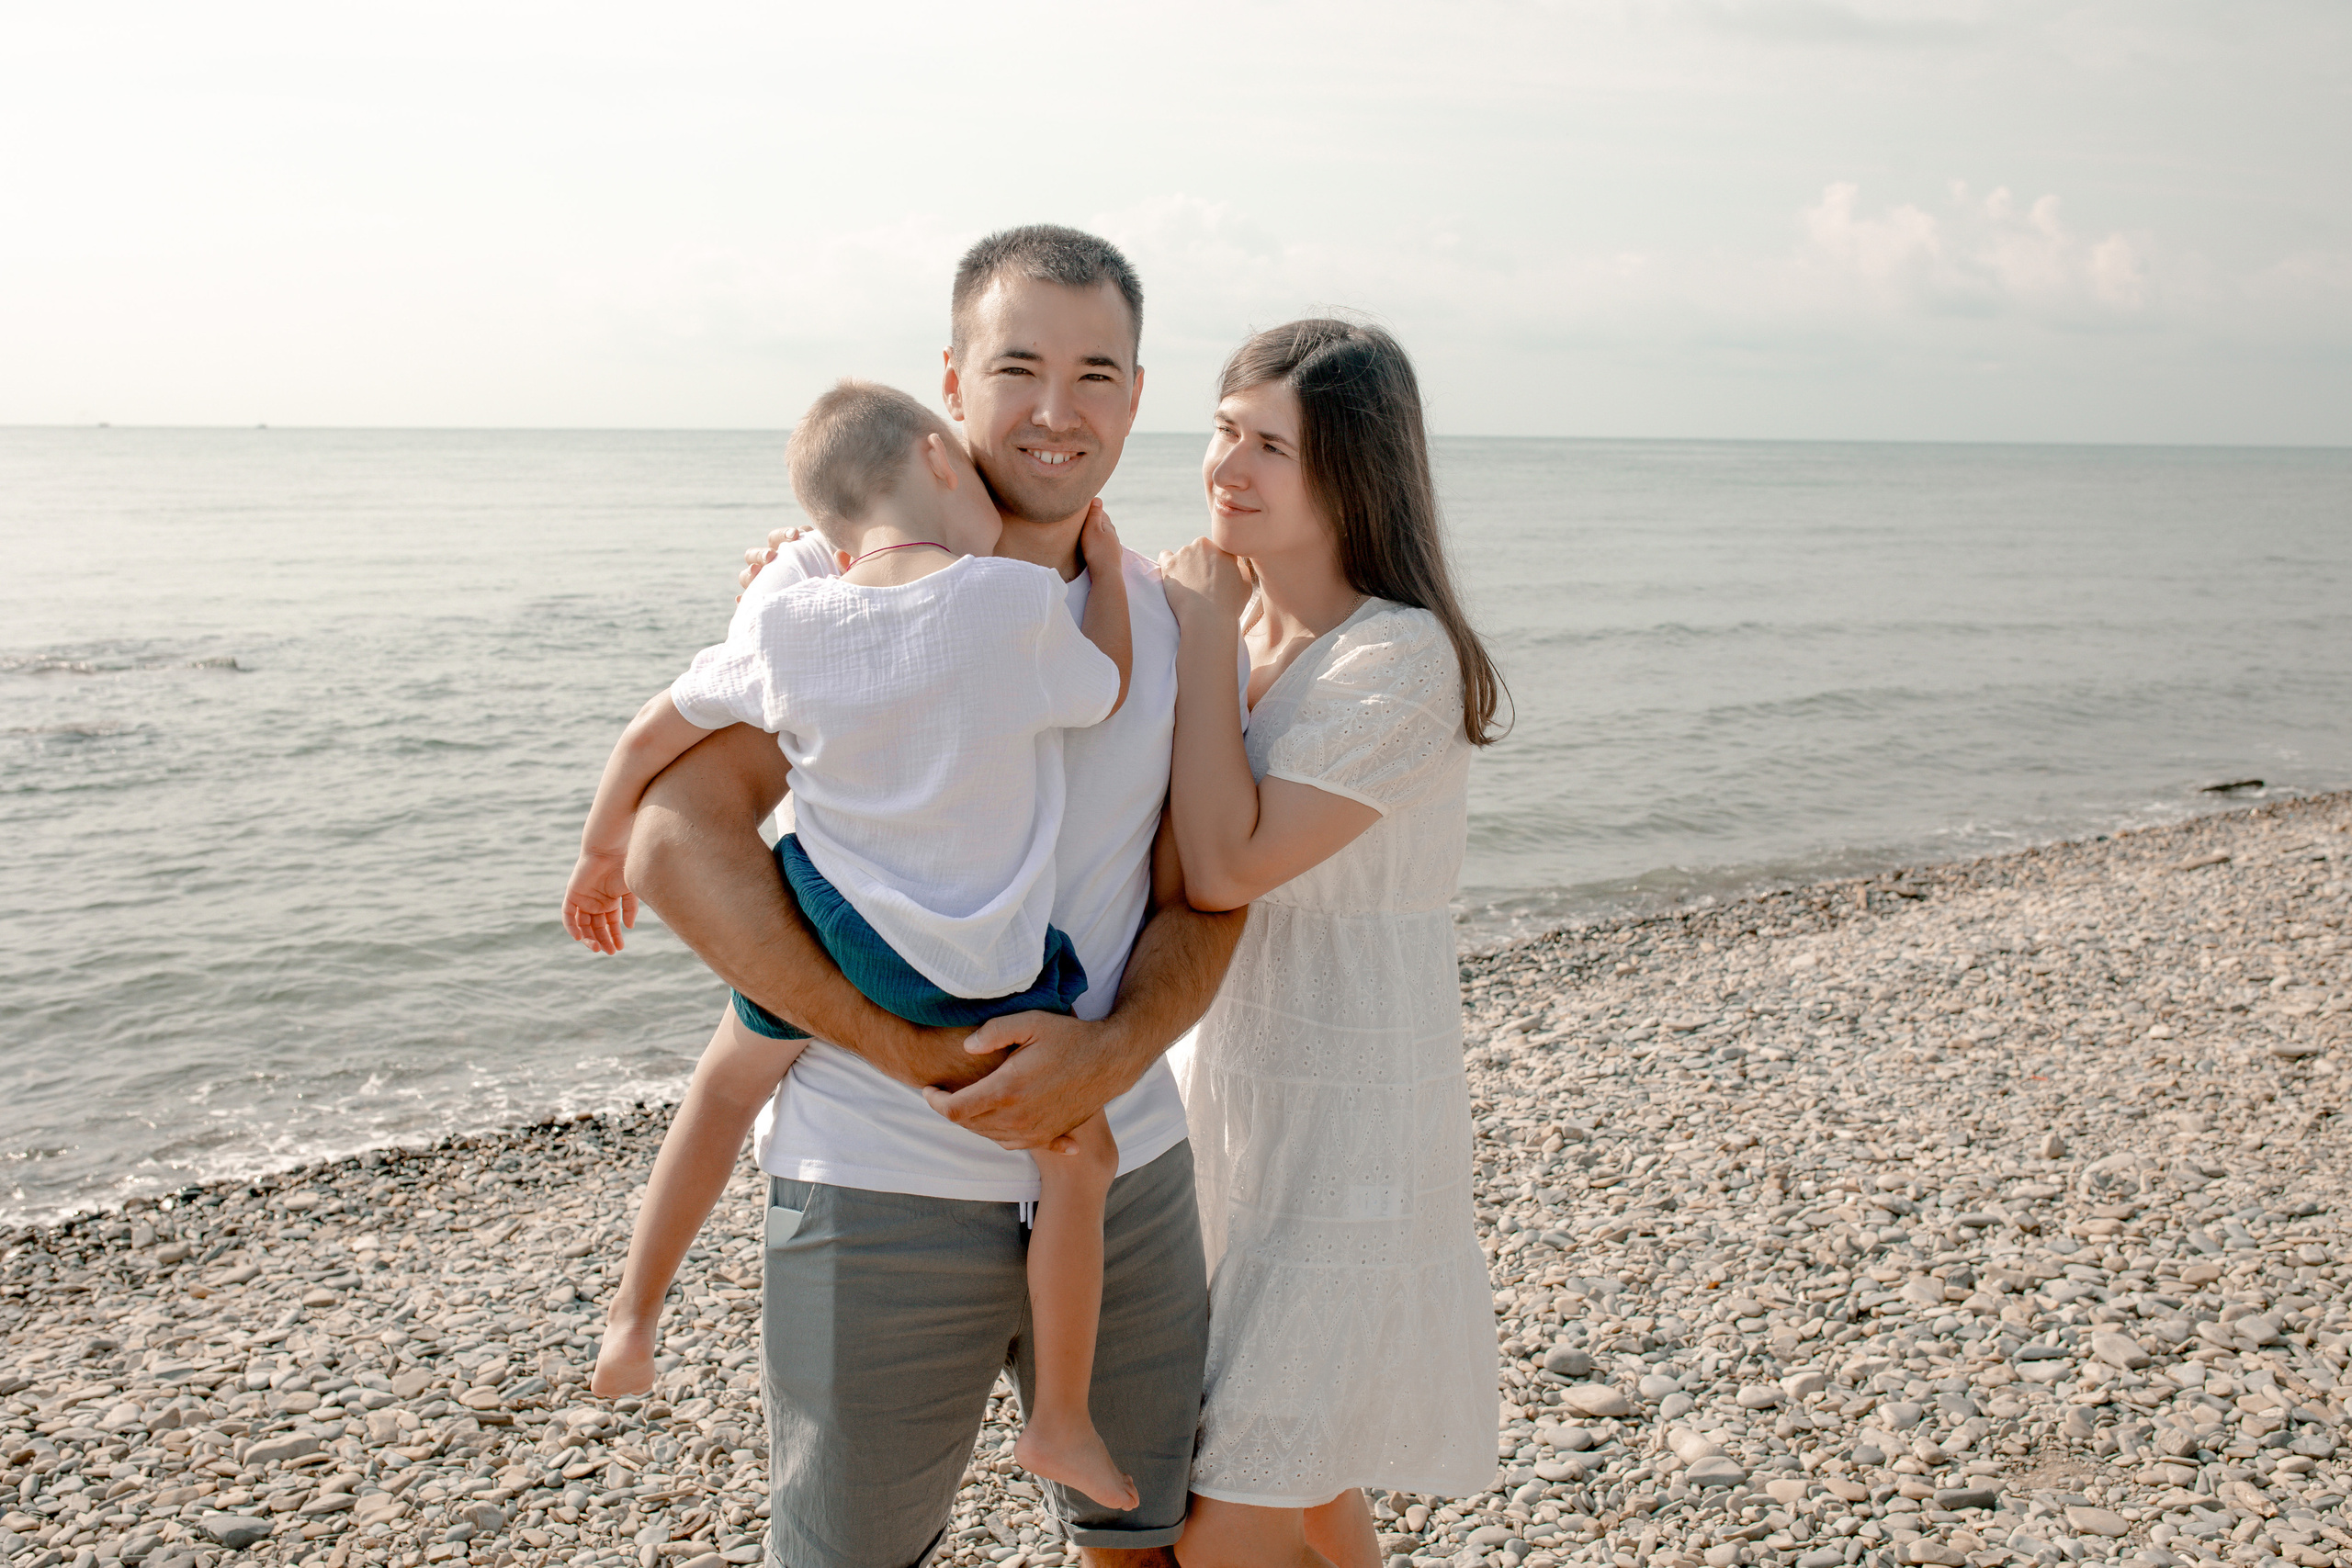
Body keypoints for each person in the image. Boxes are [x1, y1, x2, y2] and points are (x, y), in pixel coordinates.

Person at [616, 226, 1245, 1568]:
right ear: (950, 387)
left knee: (1137, 1542)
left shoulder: (1169, 619)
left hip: (1124, 1172)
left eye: (1096, 373)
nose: (1057, 410)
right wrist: (911, 1052)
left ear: (1138, 396)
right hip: (876, 1182)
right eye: (1017, 368)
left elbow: (1204, 894)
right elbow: (675, 840)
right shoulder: (820, 588)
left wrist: (1114, 1051)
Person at [562, 378, 1143, 1508]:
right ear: (941, 456)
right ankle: (1063, 1424)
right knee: (1080, 1163)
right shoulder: (1012, 600)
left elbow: (652, 731)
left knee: (725, 1086)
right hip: (972, 972)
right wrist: (1111, 572)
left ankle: (632, 1319)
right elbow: (1106, 689)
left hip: (832, 935)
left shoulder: (788, 619)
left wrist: (597, 853)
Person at [1154, 321, 1507, 1568]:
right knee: (1303, 1474)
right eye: (1222, 430)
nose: (1227, 467)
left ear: (1354, 470)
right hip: (1222, 1087)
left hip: (1349, 1111)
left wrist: (1201, 638)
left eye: (1271, 445)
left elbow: (1228, 862)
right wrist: (828, 567)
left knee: (1234, 1499)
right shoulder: (1224, 619)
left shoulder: (1399, 657)